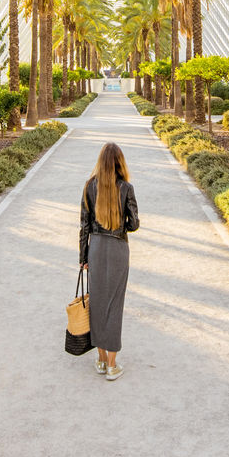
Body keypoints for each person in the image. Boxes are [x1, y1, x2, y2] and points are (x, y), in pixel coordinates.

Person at [78, 142, 139, 380]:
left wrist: (83, 258)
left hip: (96, 248)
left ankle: (101, 360)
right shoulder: (126, 188)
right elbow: (133, 224)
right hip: (117, 249)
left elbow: (84, 226)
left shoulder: (89, 187)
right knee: (114, 306)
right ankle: (113, 366)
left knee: (98, 304)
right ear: (119, 162)